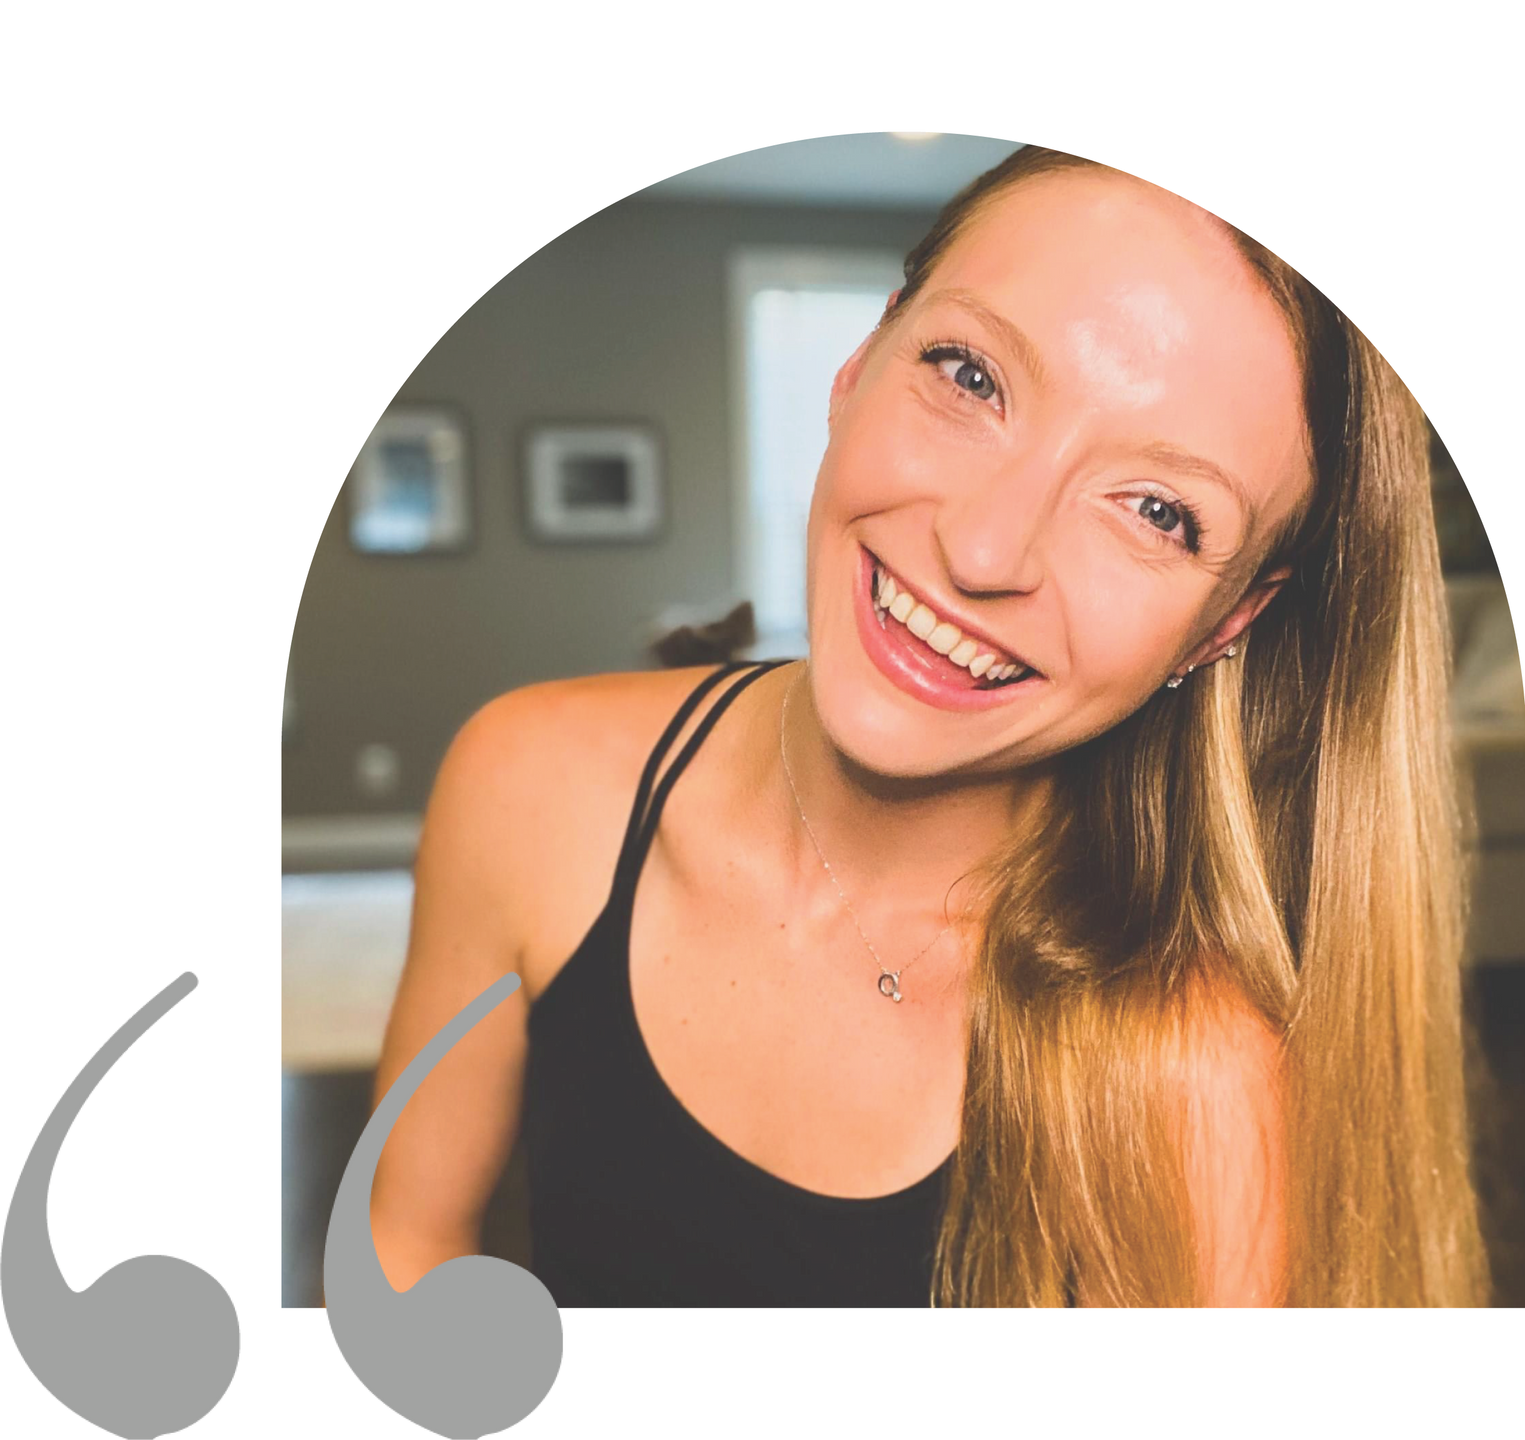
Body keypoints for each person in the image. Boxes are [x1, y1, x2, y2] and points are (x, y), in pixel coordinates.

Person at [365, 143, 1492, 1311]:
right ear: (860, 364)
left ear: (1225, 624)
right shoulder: (531, 786)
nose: (985, 548)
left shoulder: (1195, 1078)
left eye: (1158, 511)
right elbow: (400, 1242)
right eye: (970, 376)